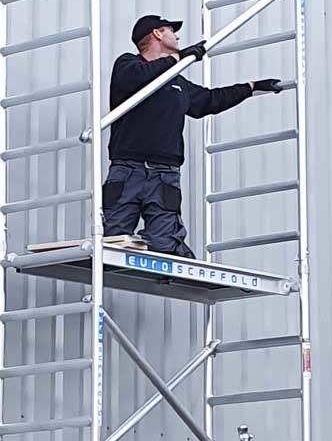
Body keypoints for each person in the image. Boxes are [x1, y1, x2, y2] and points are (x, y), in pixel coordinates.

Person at [102, 14, 284, 258]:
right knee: (113, 241)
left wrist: (250, 87)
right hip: (127, 171)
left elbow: (209, 100)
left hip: (164, 176)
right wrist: (178, 59)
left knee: (166, 245)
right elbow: (139, 77)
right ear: (157, 33)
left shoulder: (177, 83)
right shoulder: (127, 65)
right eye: (171, 30)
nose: (177, 37)